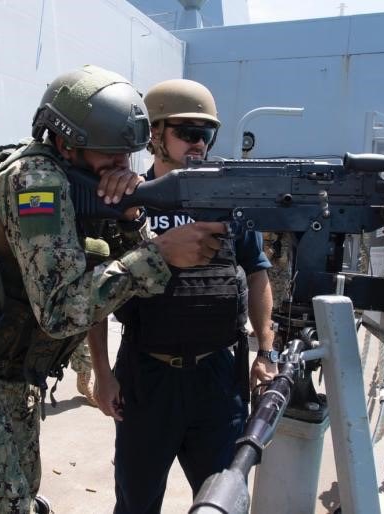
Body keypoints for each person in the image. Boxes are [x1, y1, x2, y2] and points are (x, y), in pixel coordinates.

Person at [0, 65, 226, 514]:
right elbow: (61, 311)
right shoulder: (33, 181)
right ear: (65, 142)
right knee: (6, 506)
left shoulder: (83, 182)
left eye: (127, 156)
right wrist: (158, 254)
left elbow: (121, 279)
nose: (122, 167)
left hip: (10, 371)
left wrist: (131, 218)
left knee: (13, 494)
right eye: (110, 155)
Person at [90, 78, 277, 513]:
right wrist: (102, 372)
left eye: (206, 134)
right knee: (136, 504)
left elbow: (257, 272)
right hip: (147, 378)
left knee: (223, 502)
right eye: (188, 132)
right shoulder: (125, 200)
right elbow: (95, 290)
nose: (199, 143)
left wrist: (265, 350)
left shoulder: (231, 198)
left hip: (218, 380)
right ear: (154, 133)